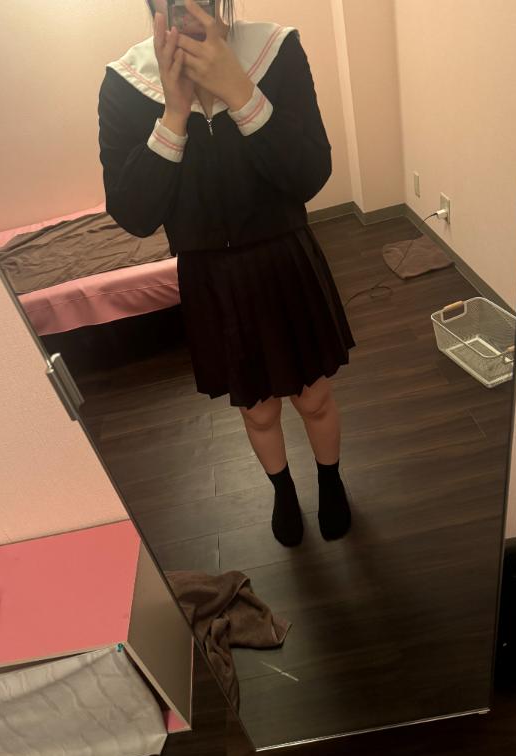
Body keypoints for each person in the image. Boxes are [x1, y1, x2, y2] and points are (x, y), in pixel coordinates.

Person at [98, 0, 356, 547]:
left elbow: (310, 173)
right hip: (211, 279)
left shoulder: (276, 48)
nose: (187, 10)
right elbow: (135, 214)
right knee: (258, 412)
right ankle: (283, 491)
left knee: (314, 398)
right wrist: (174, 113)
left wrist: (240, 90)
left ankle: (331, 481)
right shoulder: (125, 82)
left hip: (285, 259)